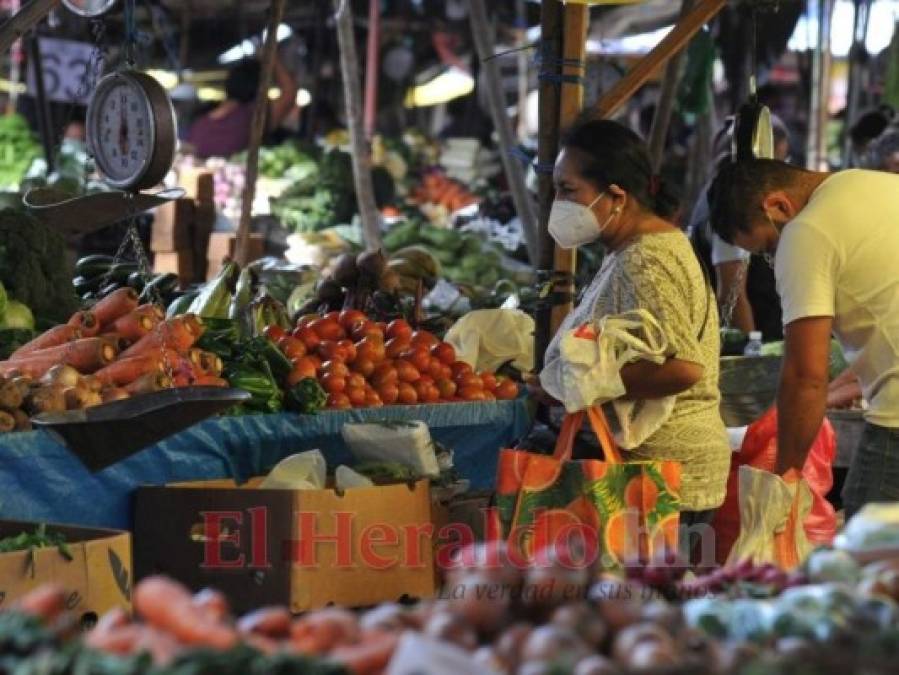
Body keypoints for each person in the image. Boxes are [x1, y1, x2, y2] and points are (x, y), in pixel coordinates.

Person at [534, 119, 731, 528]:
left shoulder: (646, 259)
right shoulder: (637, 248)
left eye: (568, 190)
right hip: (654, 474)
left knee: (640, 592)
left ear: (616, 197)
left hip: (659, 478)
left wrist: (584, 384)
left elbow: (682, 367)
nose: (557, 202)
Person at [707, 159, 899, 517]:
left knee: (864, 556)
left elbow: (804, 377)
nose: (772, 258)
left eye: (766, 248)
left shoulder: (806, 231)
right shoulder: (876, 185)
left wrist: (784, 481)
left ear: (779, 206)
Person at [689, 116, 791, 340]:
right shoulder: (734, 204)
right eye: (781, 161)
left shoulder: (721, 190)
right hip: (752, 339)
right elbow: (731, 295)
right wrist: (751, 355)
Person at [186, 54, 297, 159]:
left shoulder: (200, 123)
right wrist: (273, 57)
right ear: (259, 91)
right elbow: (290, 93)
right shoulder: (252, 119)